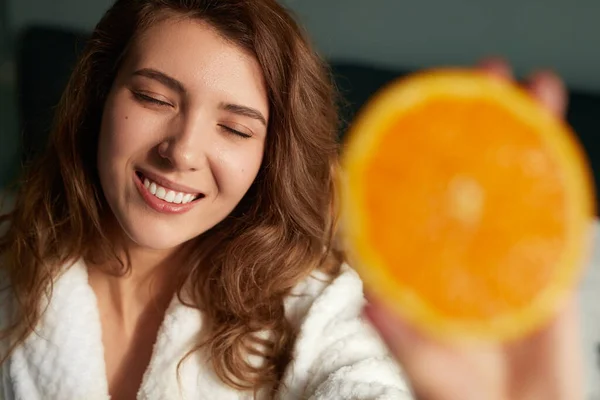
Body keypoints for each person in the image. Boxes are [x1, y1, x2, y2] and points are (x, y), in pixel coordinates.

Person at [0, 0, 583, 399]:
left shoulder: (316, 308)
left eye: (236, 128)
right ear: (99, 98)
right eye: (155, 98)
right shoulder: (11, 262)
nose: (182, 152)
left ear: (269, 156)